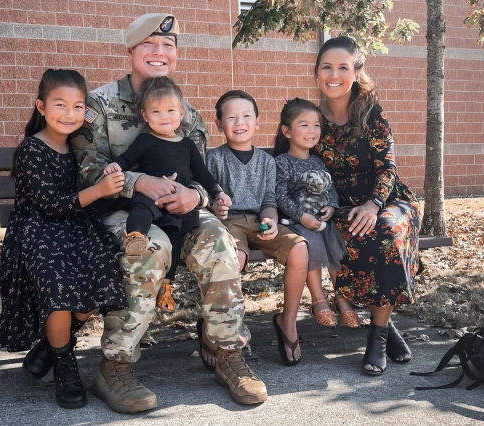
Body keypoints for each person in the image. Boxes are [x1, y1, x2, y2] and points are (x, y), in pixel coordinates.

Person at [66, 13, 268, 412]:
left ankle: (229, 355)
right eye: (149, 45)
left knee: (220, 245)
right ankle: (115, 367)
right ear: (131, 51)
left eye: (168, 46)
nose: (160, 53)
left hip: (182, 211)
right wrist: (138, 182)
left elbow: (198, 173)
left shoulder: (185, 112)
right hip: (125, 209)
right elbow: (87, 168)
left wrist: (196, 196)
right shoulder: (101, 104)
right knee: (150, 248)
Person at [0, 69, 127, 409]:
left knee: (107, 271)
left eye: (78, 106)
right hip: (38, 230)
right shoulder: (31, 151)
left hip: (76, 228)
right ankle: (65, 363)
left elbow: (97, 183)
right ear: (41, 106)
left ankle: (50, 347)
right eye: (60, 105)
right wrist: (98, 191)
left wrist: (107, 175)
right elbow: (51, 205)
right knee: (58, 282)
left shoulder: (81, 149)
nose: (70, 114)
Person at [314, 36, 420, 375]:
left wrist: (374, 204)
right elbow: (294, 162)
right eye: (326, 67)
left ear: (357, 72)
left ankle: (375, 337)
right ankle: (387, 328)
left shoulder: (371, 111)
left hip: (386, 199)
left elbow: (388, 167)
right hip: (341, 207)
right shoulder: (312, 118)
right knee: (355, 236)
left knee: (387, 231)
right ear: (317, 72)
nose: (334, 74)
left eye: (343, 67)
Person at [103, 76, 231, 311]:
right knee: (141, 209)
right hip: (151, 194)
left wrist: (217, 193)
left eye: (171, 110)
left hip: (178, 203)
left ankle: (166, 287)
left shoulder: (187, 145)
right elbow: (127, 158)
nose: (164, 117)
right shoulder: (145, 140)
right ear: (145, 115)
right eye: (156, 112)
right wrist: (116, 167)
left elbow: (202, 173)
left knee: (175, 238)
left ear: (181, 113)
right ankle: (135, 238)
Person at [207, 90, 309, 366]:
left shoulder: (266, 161)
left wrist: (272, 221)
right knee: (234, 259)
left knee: (299, 249)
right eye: (231, 117)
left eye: (246, 116)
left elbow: (269, 200)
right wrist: (216, 207)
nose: (239, 122)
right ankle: (220, 328)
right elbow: (207, 200)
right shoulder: (213, 159)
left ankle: (288, 322)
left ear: (258, 122)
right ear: (219, 124)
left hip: (259, 220)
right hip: (229, 223)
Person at [273, 98, 354, 333]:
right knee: (313, 243)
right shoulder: (282, 163)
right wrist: (301, 216)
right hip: (297, 222)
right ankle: (319, 300)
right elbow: (280, 197)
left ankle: (341, 298)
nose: (312, 131)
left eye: (316, 125)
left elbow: (330, 191)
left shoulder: (319, 161)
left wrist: (331, 207)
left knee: (334, 239)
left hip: (321, 219)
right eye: (304, 125)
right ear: (286, 131)